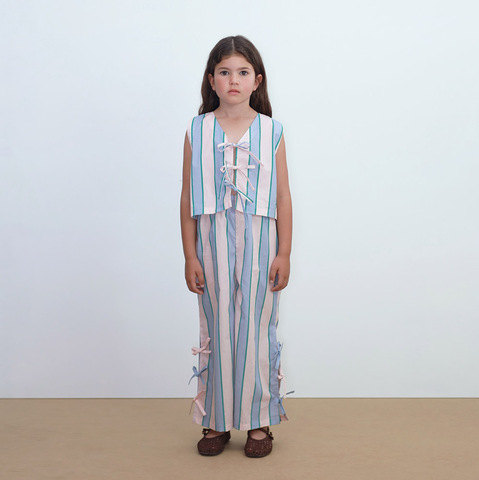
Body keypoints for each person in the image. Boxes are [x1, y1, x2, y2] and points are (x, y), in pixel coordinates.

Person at [180, 35, 293, 458]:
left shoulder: (271, 130)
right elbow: (187, 197)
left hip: (261, 239)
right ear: (211, 80)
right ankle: (217, 418)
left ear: (256, 80)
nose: (233, 80)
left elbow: (283, 196)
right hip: (211, 239)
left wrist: (284, 252)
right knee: (217, 324)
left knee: (257, 327)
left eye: (243, 72)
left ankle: (259, 420)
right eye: (224, 72)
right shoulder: (197, 130)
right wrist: (190, 255)